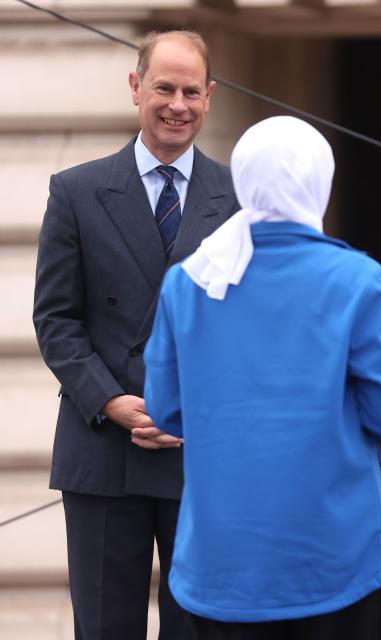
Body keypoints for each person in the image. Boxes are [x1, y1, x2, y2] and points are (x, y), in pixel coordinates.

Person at [140, 115, 381, 639]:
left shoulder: (190, 282)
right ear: (321, 181)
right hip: (332, 554)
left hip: (219, 561)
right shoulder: (359, 280)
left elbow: (166, 410)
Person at [32, 30, 237, 639]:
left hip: (198, 453)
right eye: (164, 88)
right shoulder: (74, 191)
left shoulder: (240, 199)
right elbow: (56, 320)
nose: (178, 104)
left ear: (211, 97)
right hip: (101, 452)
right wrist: (115, 403)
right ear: (135, 88)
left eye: (191, 91)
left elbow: (246, 328)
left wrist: (191, 408)